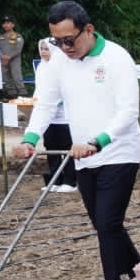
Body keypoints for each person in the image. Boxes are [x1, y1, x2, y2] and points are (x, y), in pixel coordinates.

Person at [15, 1, 140, 280]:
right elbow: (46, 103)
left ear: (88, 29)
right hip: (82, 156)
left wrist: (98, 141)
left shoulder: (116, 58)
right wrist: (31, 137)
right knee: (104, 225)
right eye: (57, 41)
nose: (64, 47)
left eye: (69, 40)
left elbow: (128, 112)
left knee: (108, 223)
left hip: (117, 151)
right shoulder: (59, 61)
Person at [31, 38, 78, 192]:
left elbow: (69, 90)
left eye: (46, 49)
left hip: (64, 117)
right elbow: (40, 90)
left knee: (67, 149)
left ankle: (70, 181)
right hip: (47, 117)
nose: (44, 52)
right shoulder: (41, 67)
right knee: (51, 148)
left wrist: (58, 101)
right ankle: (55, 180)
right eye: (42, 49)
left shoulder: (64, 66)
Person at [0, 17, 25, 98]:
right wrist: (2, 56)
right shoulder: (0, 37)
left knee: (16, 76)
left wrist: (8, 57)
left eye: (8, 23)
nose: (6, 25)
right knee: (6, 77)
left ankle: (22, 94)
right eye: (4, 23)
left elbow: (19, 48)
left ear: (13, 25)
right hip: (3, 60)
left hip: (14, 60)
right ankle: (11, 94)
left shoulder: (18, 36)